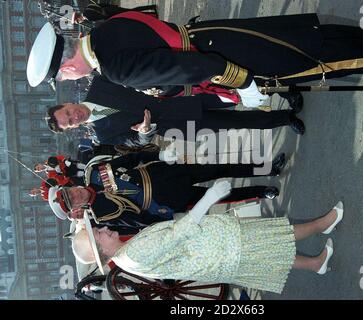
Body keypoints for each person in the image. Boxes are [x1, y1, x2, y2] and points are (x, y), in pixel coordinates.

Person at [27, 12, 363, 110]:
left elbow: (187, 69)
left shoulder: (115, 68)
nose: (68, 80)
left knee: (313, 60)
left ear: (64, 67)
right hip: (215, 36)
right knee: (311, 42)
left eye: (62, 78)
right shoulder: (105, 29)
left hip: (226, 57)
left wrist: (242, 83)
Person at [72, 181, 344, 294]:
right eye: (99, 234)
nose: (104, 229)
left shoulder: (126, 255)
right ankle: (323, 224)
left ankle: (316, 263)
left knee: (273, 248)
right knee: (276, 240)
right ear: (102, 251)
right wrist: (209, 198)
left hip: (218, 248)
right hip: (219, 249)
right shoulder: (130, 254)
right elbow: (178, 234)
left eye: (98, 229)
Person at [48, 150, 286, 233]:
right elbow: (138, 223)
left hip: (166, 174)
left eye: (71, 193)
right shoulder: (101, 216)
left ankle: (269, 167)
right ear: (76, 209)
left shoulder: (92, 171)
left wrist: (159, 155)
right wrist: (164, 216)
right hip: (167, 201)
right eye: (73, 202)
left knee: (221, 167)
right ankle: (263, 191)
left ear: (71, 186)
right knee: (225, 196)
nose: (77, 196)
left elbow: (132, 159)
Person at [45, 76, 305, 141]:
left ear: (68, 103)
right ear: (73, 128)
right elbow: (135, 141)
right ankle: (285, 117)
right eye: (70, 122)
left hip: (181, 94)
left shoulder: (100, 83)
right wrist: (144, 132)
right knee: (237, 123)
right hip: (175, 126)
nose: (74, 117)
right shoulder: (102, 134)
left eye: (68, 113)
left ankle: (286, 90)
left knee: (235, 91)